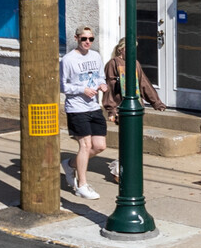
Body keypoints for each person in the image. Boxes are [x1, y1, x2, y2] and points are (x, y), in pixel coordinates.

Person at [102, 39, 166, 182]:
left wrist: (156, 102)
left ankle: (124, 168)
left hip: (136, 108)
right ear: (121, 49)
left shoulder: (135, 64)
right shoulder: (113, 64)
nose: (133, 52)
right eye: (129, 49)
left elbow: (144, 84)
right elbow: (109, 90)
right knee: (127, 139)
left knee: (134, 139)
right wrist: (111, 110)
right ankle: (119, 171)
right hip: (122, 109)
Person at [61, 27, 107, 199]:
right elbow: (63, 85)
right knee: (85, 145)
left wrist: (103, 85)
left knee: (100, 146)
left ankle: (70, 164)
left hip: (93, 107)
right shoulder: (68, 59)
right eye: (84, 39)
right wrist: (82, 89)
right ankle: (82, 185)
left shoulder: (95, 56)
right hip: (76, 108)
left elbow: (100, 77)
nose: (87, 42)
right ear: (76, 38)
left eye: (91, 39)